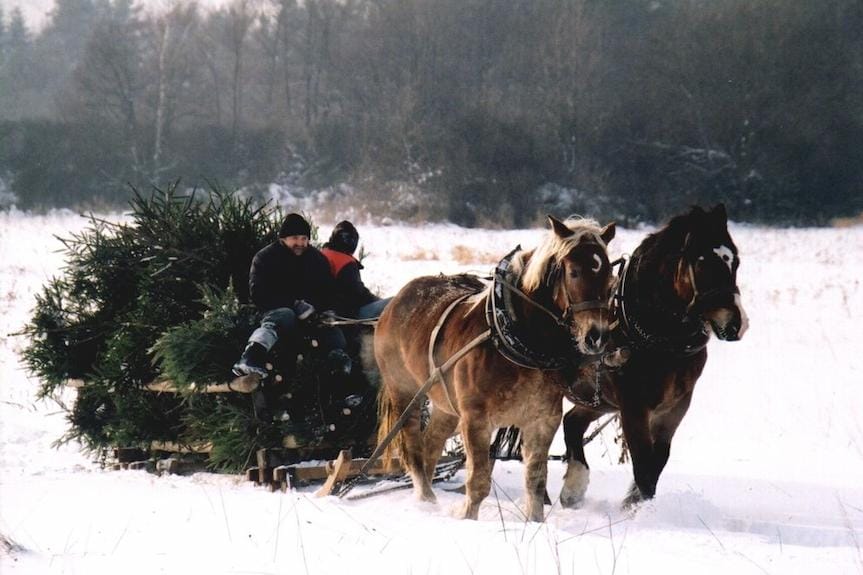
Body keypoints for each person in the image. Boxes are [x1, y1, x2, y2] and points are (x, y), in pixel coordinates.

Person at [232, 213, 351, 378]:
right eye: (295, 238)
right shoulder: (266, 258)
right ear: (283, 238)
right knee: (283, 315)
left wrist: (327, 309)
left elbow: (328, 291)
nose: (300, 243)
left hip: (310, 317)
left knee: (331, 328)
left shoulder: (317, 259)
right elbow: (258, 293)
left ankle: (341, 372)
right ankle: (252, 355)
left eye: (304, 238)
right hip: (274, 313)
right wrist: (293, 304)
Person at [320, 220, 391, 320]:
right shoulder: (345, 262)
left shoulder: (323, 254)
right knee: (394, 303)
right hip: (349, 314)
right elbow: (358, 294)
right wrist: (377, 300)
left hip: (328, 311)